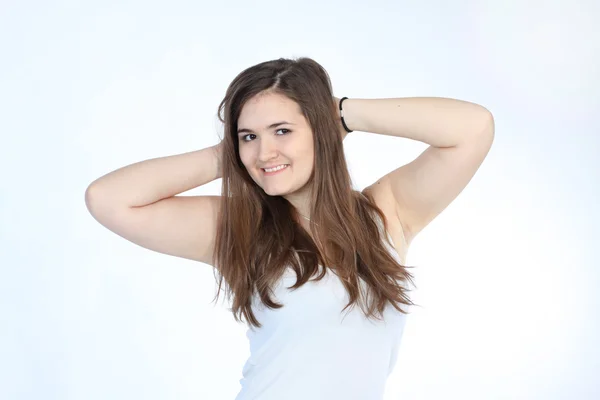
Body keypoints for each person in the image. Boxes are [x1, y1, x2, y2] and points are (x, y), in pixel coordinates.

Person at [85, 56, 495, 399]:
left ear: (319, 129)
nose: (265, 152)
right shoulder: (241, 228)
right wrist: (229, 152)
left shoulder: (386, 213)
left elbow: (472, 129)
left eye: (282, 130)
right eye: (249, 136)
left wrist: (341, 114)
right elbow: (108, 199)